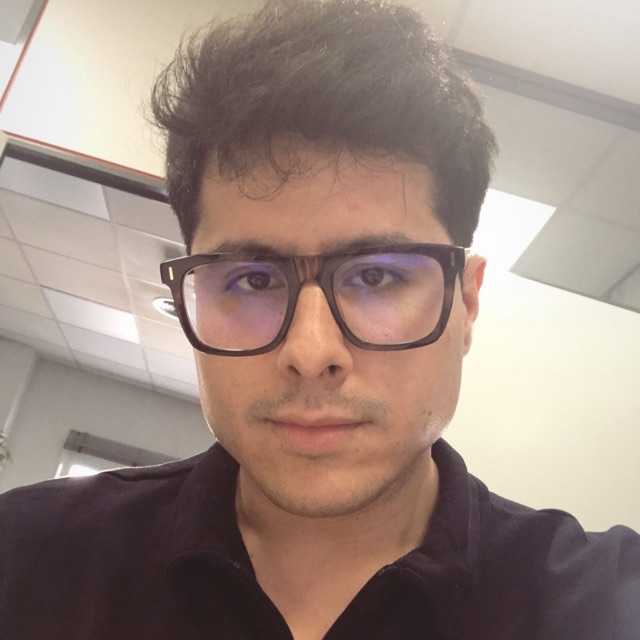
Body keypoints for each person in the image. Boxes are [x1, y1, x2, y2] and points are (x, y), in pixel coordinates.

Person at [1, 1, 638, 638]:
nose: (310, 353)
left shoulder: (601, 606)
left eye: (376, 276)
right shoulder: (25, 557)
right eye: (253, 280)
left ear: (465, 303)